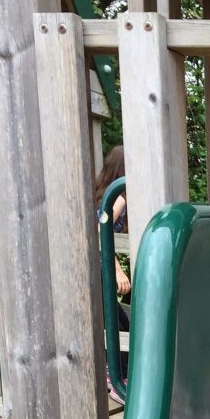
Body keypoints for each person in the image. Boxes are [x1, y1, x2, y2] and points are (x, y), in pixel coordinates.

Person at [93, 146, 129, 401]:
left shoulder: (104, 195)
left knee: (121, 323)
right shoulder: (118, 197)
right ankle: (113, 378)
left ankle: (118, 376)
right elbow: (99, 232)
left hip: (97, 267)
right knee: (116, 326)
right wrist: (117, 271)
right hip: (97, 267)